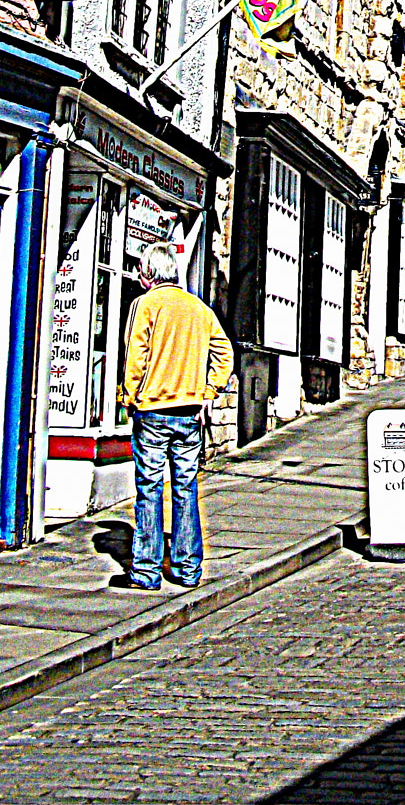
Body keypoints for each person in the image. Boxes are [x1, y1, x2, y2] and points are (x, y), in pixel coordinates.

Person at [119, 245, 233, 591]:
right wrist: (208, 391)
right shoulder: (199, 308)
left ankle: (147, 571)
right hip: (189, 414)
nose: (140, 276)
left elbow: (135, 356)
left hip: (152, 411)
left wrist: (129, 397)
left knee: (149, 490)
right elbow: (224, 355)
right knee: (186, 489)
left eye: (141, 271)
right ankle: (187, 570)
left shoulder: (146, 305)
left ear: (150, 275)